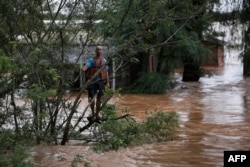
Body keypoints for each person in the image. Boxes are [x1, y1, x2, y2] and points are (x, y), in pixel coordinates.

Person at [83, 46, 110, 121]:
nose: (99, 51)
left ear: (102, 51)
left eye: (100, 49)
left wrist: (107, 82)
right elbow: (87, 65)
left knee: (100, 98)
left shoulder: (104, 61)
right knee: (91, 97)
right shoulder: (91, 60)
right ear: (95, 51)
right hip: (92, 81)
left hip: (101, 81)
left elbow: (106, 72)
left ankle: (97, 114)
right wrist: (84, 67)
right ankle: (93, 113)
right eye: (97, 49)